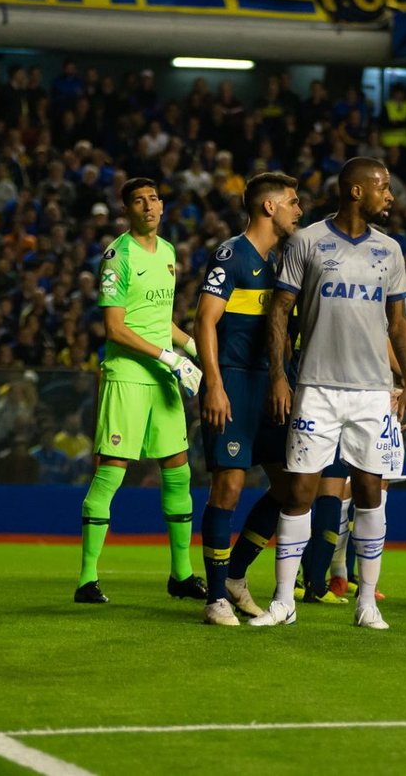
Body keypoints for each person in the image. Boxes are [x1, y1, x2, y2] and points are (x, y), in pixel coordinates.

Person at [250, 157, 406, 630]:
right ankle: (284, 600)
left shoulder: (390, 250)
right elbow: (280, 311)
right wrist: (280, 377)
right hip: (317, 388)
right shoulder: (307, 242)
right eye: (383, 187)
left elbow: (400, 322)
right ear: (355, 191)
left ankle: (367, 601)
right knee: (300, 490)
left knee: (370, 491)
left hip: (372, 392)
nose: (390, 195)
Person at [73, 178, 207, 605]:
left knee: (179, 468)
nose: (148, 206)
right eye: (138, 201)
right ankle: (86, 579)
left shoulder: (168, 253)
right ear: (127, 210)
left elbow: (158, 320)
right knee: (112, 468)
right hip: (128, 373)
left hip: (162, 375)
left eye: (153, 199)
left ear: (163, 206)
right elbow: (115, 327)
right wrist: (169, 358)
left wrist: (193, 348)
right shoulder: (117, 255)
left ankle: (181, 574)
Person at [193, 172, 303, 626]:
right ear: (269, 207)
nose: (299, 210)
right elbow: (204, 321)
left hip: (271, 385)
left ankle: (236, 575)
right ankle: (216, 597)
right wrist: (214, 385)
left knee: (289, 488)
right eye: (293, 202)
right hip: (234, 383)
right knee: (230, 486)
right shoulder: (232, 254)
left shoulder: (282, 263)